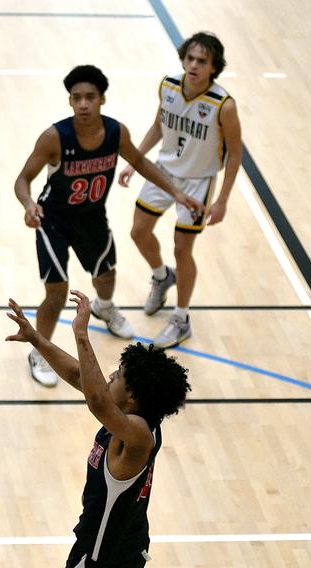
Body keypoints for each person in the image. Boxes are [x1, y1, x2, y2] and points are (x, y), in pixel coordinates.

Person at [14, 65, 204, 387]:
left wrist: (176, 192)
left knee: (106, 276)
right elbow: (22, 179)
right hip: (54, 220)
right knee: (57, 293)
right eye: (77, 98)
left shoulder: (116, 133)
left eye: (90, 97)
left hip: (92, 216)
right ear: (70, 102)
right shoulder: (54, 137)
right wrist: (29, 204)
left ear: (102, 99)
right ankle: (40, 353)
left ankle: (104, 307)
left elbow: (142, 162)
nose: (83, 104)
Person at [5, 291, 191, 568]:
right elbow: (80, 376)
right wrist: (36, 339)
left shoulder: (139, 435)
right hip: (119, 543)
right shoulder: (134, 417)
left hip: (104, 556)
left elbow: (97, 401)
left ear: (133, 397)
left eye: (120, 374)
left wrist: (81, 333)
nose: (112, 375)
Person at [118, 32, 242, 348]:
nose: (193, 65)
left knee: (182, 248)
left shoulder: (223, 105)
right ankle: (162, 277)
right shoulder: (168, 85)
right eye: (190, 58)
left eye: (202, 61)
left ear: (214, 67)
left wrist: (223, 200)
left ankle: (181, 317)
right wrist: (136, 160)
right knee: (138, 232)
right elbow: (159, 125)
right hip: (163, 173)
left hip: (199, 181)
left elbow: (236, 154)